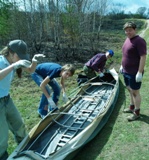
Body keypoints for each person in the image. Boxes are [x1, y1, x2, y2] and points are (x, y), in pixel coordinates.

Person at [0, 39, 45, 160]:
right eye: (19, 56)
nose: (20, 59)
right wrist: (13, 66)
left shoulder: (15, 61)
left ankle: (24, 149)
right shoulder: (1, 61)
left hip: (6, 100)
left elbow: (31, 70)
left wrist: (34, 60)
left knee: (19, 125)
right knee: (2, 135)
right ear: (11, 53)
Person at [120, 21, 147, 121]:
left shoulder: (139, 41)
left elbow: (143, 57)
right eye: (126, 31)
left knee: (135, 92)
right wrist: (122, 66)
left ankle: (136, 112)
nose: (128, 32)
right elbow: (125, 54)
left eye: (130, 30)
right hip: (126, 71)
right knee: (129, 89)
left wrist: (139, 72)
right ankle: (131, 107)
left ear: (135, 30)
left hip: (134, 72)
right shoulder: (127, 39)